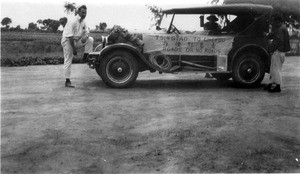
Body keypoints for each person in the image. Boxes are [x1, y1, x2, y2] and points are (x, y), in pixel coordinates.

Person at [61, 5, 94, 87]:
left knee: (90, 40)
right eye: (83, 12)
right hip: (68, 41)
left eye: (85, 13)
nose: (84, 14)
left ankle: (85, 57)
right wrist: (74, 49)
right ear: (78, 12)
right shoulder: (72, 21)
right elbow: (69, 37)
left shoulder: (83, 22)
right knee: (68, 59)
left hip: (76, 40)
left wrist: (84, 37)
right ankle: (67, 80)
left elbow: (87, 32)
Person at [264, 14, 290, 92]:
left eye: (273, 21)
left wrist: (271, 49)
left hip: (278, 51)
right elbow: (273, 36)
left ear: (278, 21)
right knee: (273, 69)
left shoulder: (280, 29)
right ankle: (271, 84)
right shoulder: (282, 27)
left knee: (276, 69)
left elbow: (278, 40)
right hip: (280, 52)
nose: (272, 23)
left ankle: (278, 86)